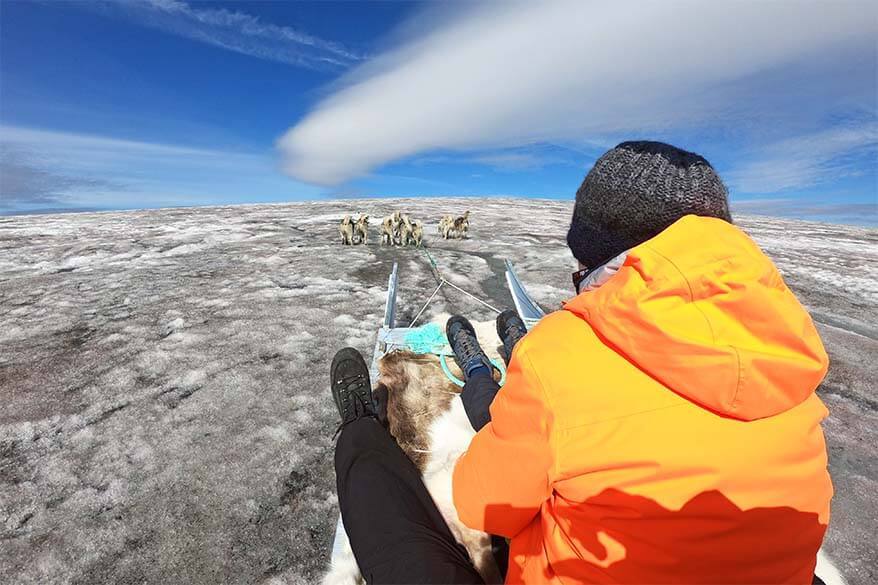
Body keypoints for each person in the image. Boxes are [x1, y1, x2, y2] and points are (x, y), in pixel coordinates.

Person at [330, 141, 833, 584]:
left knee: (388, 517)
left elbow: (483, 504)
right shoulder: (791, 352)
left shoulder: (563, 351)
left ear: (596, 254)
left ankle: (358, 426)